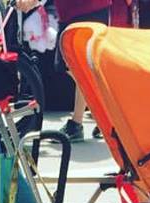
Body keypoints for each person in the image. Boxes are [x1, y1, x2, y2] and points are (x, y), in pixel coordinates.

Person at [54, 0, 112, 142]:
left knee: (77, 67)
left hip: (86, 9)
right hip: (76, 10)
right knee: (78, 68)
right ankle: (105, 119)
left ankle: (104, 119)